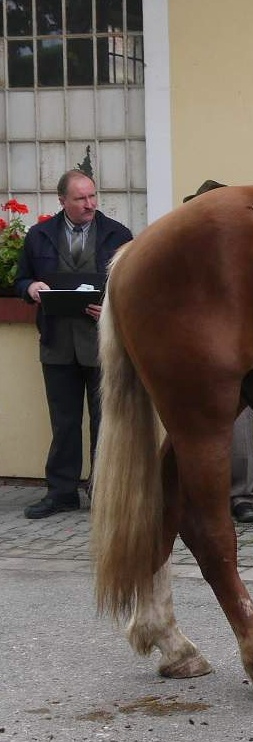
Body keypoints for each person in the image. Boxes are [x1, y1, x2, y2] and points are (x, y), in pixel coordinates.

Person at [15, 169, 132, 519]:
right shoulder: (39, 236)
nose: (89, 204)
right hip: (57, 343)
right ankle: (61, 492)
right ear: (62, 201)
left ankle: (104, 492)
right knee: (63, 422)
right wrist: (30, 288)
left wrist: (111, 306)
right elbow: (21, 278)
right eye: (80, 198)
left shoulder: (118, 234)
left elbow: (131, 284)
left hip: (102, 343)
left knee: (104, 422)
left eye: (92, 196)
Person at [182, 179, 253, 524]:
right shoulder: (186, 254)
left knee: (240, 427)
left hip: (236, 350)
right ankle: (198, 496)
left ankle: (242, 495)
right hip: (198, 351)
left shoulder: (242, 254)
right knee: (191, 427)